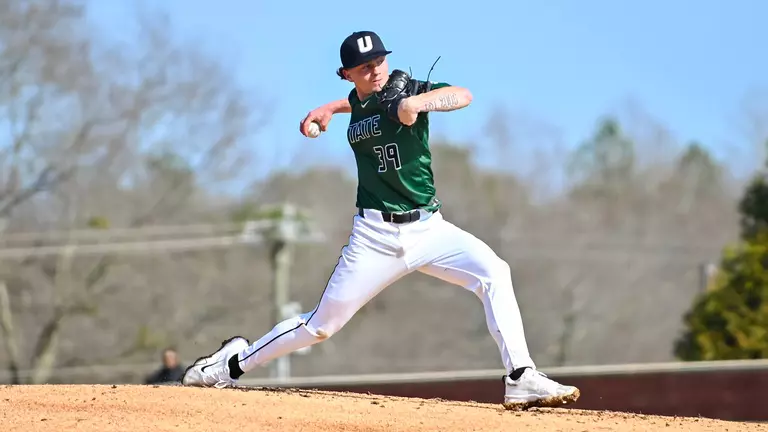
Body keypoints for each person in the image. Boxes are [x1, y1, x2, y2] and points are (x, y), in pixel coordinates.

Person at [181, 30, 580, 410]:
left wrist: (416, 104)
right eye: (364, 66)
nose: (376, 69)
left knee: (495, 271)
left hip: (429, 229)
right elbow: (355, 102)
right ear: (347, 74)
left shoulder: (406, 91)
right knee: (320, 326)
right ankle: (229, 365)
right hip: (374, 236)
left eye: (379, 60)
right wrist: (327, 108)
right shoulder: (360, 101)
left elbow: (463, 95)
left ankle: (520, 376)